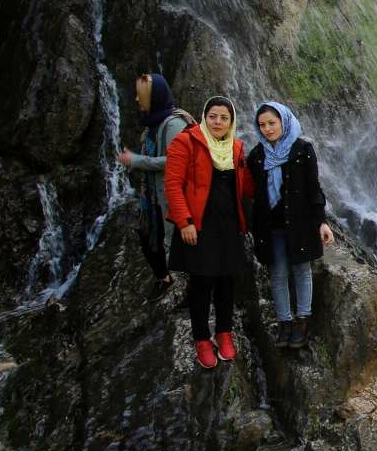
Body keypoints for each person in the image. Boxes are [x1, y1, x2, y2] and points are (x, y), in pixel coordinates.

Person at [164, 96, 254, 369]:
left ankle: (224, 333)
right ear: (204, 116)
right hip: (199, 226)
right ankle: (202, 339)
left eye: (224, 118)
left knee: (227, 281)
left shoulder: (236, 148)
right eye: (213, 116)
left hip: (228, 225)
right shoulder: (186, 141)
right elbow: (173, 184)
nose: (218, 122)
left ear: (231, 122)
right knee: (201, 284)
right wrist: (184, 222)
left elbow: (247, 187)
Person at [247, 101, 333, 350]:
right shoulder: (257, 155)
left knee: (301, 269)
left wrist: (322, 223)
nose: (267, 129)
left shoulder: (302, 149)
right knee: (277, 272)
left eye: (272, 123)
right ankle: (285, 321)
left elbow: (313, 189)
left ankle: (302, 321)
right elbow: (254, 191)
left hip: (299, 222)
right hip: (270, 225)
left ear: (283, 122)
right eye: (262, 125)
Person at [118, 73, 193, 301]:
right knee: (147, 235)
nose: (137, 100)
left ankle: (194, 290)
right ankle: (164, 279)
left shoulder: (173, 124)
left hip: (173, 194)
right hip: (154, 194)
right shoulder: (154, 122)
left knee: (183, 243)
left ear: (154, 97)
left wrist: (137, 161)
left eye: (141, 96)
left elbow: (175, 160)